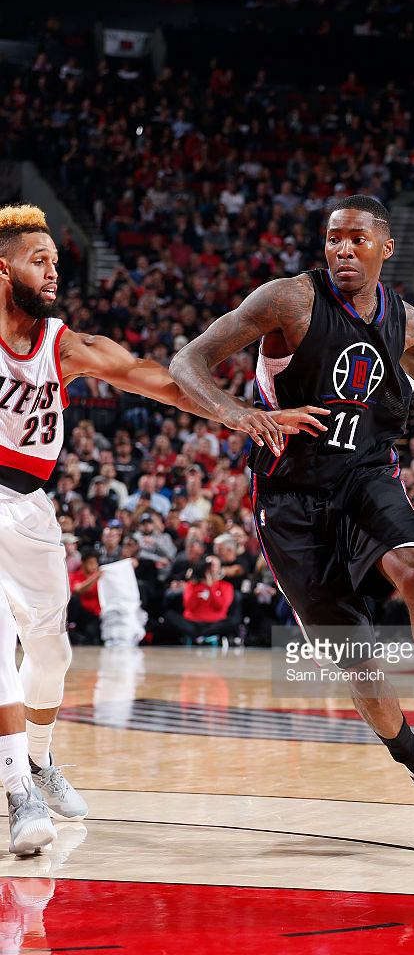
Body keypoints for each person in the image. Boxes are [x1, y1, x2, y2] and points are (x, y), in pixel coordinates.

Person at [171, 194, 414, 840]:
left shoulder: (406, 321)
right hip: (287, 500)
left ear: (384, 247)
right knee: (359, 664)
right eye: (332, 239)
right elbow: (186, 362)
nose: (342, 249)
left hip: (365, 475)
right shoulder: (286, 300)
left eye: (355, 239)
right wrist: (238, 413)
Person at [0, 204, 324, 854]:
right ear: (1, 270)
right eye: (40, 261)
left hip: (29, 510)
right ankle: (17, 792)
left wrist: (241, 414)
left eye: (58, 262)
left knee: (51, 655)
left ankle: (38, 760)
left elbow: (164, 386)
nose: (55, 273)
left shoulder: (64, 347)